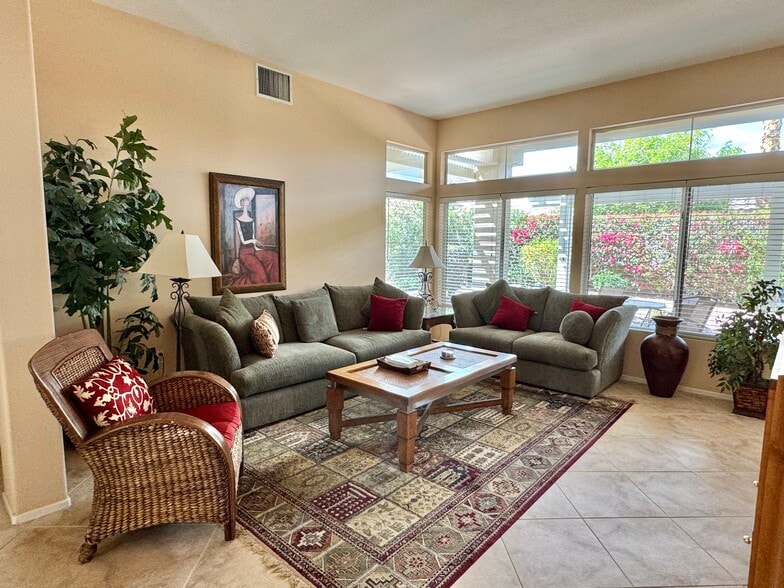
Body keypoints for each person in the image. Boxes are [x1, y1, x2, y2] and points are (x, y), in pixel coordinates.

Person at [232, 187, 279, 285]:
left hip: (254, 250)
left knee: (273, 256)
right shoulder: (238, 220)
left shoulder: (251, 220)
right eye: (245, 200)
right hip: (245, 253)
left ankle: (274, 282)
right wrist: (254, 240)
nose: (247, 201)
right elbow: (243, 241)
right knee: (260, 275)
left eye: (247, 199)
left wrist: (257, 247)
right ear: (242, 203)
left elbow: (253, 235)